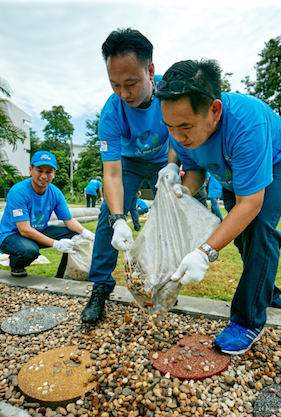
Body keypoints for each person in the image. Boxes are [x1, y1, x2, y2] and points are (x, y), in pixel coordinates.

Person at [155, 59, 281, 355]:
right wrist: (181, 188)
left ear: (214, 110)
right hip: (231, 172)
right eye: (169, 127)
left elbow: (250, 203)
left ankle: (247, 321)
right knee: (240, 236)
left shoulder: (247, 123)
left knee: (259, 228)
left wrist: (204, 253)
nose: (178, 136)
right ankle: (269, 293)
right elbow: (196, 167)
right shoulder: (181, 132)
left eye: (185, 127)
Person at [81, 28, 179, 323]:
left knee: (185, 204)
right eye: (115, 85)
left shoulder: (172, 93)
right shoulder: (112, 113)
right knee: (105, 217)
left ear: (150, 71)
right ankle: (100, 286)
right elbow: (111, 174)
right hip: (130, 162)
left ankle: (172, 278)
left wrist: (173, 167)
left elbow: (180, 136)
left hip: (166, 158)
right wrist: (118, 218)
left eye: (131, 83)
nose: (124, 94)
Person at [0, 151, 95, 278]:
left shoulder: (55, 193)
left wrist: (85, 232)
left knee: (75, 236)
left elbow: (68, 220)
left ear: (54, 174)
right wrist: (56, 244)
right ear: (31, 170)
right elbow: (24, 230)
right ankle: (16, 264)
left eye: (49, 171)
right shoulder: (18, 192)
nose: (44, 176)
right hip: (12, 235)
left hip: (39, 230)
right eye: (39, 170)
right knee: (29, 250)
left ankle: (62, 275)